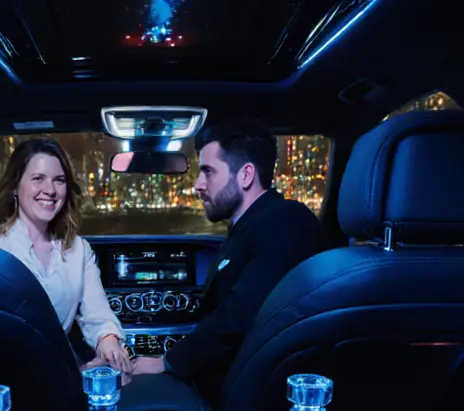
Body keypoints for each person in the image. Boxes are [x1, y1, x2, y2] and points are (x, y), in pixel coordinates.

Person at [130, 120, 325, 391]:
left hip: (254, 391)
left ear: (246, 175)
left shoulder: (285, 221)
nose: (198, 185)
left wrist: (167, 361)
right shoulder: (248, 228)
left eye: (208, 172)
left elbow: (239, 315)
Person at [0, 138, 132, 375]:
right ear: (15, 186)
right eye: (38, 178)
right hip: (0, 379)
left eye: (59, 180)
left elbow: (99, 318)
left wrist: (109, 343)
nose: (51, 190)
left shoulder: (78, 250)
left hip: (61, 376)